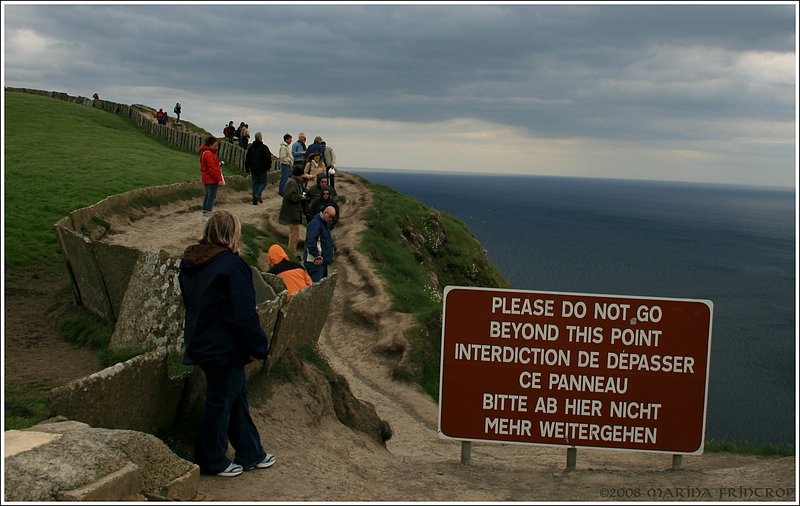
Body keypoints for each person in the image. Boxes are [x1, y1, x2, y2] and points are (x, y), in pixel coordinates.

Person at [178, 210, 276, 477]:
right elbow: (243, 314)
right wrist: (257, 347)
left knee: (235, 397)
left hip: (202, 340)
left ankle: (250, 452)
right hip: (225, 347)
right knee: (221, 401)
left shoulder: (191, 263)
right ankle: (211, 460)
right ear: (232, 234)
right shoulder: (232, 266)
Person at [278, 166, 306, 258]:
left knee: (294, 235)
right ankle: (291, 255)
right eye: (302, 175)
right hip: (292, 212)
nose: (303, 176)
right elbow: (291, 196)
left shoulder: (292, 181)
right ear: (298, 175)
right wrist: (301, 197)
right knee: (294, 236)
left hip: (293, 211)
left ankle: (292, 253)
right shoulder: (293, 183)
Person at [304, 206, 336, 283]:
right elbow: (311, 241)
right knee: (315, 287)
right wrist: (316, 255)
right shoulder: (316, 224)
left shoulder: (322, 224)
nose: (331, 219)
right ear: (325, 213)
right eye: (330, 216)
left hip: (321, 262)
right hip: (315, 262)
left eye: (332, 217)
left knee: (320, 287)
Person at [199, 135, 225, 219]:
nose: (216, 147)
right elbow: (212, 168)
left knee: (208, 196)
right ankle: (207, 214)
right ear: (210, 144)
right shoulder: (209, 154)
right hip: (211, 179)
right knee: (211, 197)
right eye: (215, 145)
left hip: (207, 178)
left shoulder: (204, 153)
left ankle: (205, 213)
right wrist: (219, 180)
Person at [244, 132, 273, 205]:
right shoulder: (264, 148)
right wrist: (268, 167)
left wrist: (247, 169)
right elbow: (268, 159)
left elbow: (247, 159)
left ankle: (254, 200)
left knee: (255, 183)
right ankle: (258, 194)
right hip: (262, 168)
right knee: (263, 182)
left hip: (253, 168)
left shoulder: (251, 148)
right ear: (260, 138)